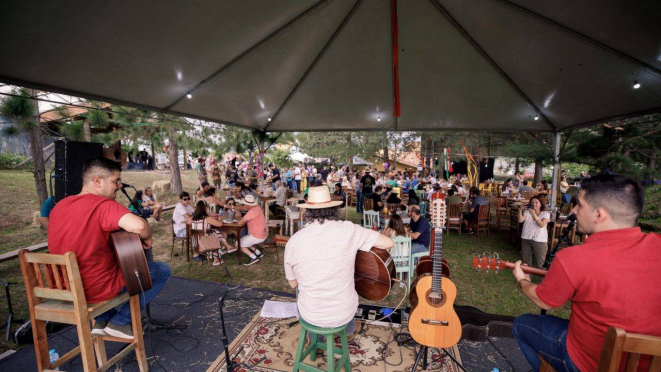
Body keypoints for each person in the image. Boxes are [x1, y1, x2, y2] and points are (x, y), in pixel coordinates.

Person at [512, 174, 661, 372]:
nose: (573, 210)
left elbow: (544, 301)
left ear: (599, 215)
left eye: (580, 205)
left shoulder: (574, 258)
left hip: (590, 363)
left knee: (522, 325)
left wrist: (522, 281)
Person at [48, 158, 170, 339]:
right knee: (161, 270)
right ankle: (120, 322)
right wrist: (148, 237)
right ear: (97, 181)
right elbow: (140, 227)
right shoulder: (102, 205)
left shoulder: (60, 206)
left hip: (66, 288)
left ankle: (103, 318)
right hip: (94, 289)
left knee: (105, 268)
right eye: (115, 181)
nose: (119, 186)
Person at [285, 187, 393, 343]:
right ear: (333, 209)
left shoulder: (294, 241)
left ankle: (315, 339)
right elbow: (388, 243)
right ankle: (349, 330)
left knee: (300, 287)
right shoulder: (349, 229)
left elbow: (292, 284)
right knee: (343, 285)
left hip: (312, 315)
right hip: (344, 312)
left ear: (308, 211)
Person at [189, 201, 235, 266]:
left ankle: (226, 248)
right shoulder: (207, 218)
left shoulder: (193, 218)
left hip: (195, 245)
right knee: (215, 232)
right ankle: (217, 257)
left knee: (213, 233)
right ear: (205, 208)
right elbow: (220, 224)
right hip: (205, 245)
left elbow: (188, 222)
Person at [233, 194, 267, 265]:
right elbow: (243, 208)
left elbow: (240, 223)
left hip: (256, 236)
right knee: (245, 240)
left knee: (238, 244)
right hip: (262, 234)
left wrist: (236, 220)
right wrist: (233, 207)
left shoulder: (251, 212)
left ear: (248, 205)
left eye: (245, 204)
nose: (244, 205)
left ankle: (253, 257)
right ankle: (258, 252)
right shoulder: (257, 207)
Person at [517, 196, 550, 268]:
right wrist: (520, 210)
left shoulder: (545, 214)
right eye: (532, 202)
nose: (534, 204)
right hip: (526, 238)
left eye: (536, 202)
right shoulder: (527, 212)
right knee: (526, 262)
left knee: (541, 263)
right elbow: (520, 220)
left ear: (541, 204)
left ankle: (543, 279)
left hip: (540, 241)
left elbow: (541, 225)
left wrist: (534, 215)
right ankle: (527, 278)